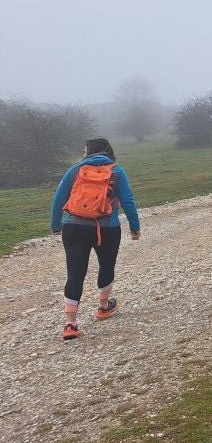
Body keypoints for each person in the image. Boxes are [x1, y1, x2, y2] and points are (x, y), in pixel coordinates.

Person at [50, 137, 140, 340]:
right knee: (106, 266)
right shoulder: (117, 171)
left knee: (75, 273)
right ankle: (103, 307)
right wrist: (135, 227)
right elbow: (127, 199)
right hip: (107, 228)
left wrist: (56, 225)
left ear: (88, 151)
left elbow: (58, 198)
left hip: (73, 226)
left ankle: (70, 324)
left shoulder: (75, 170)